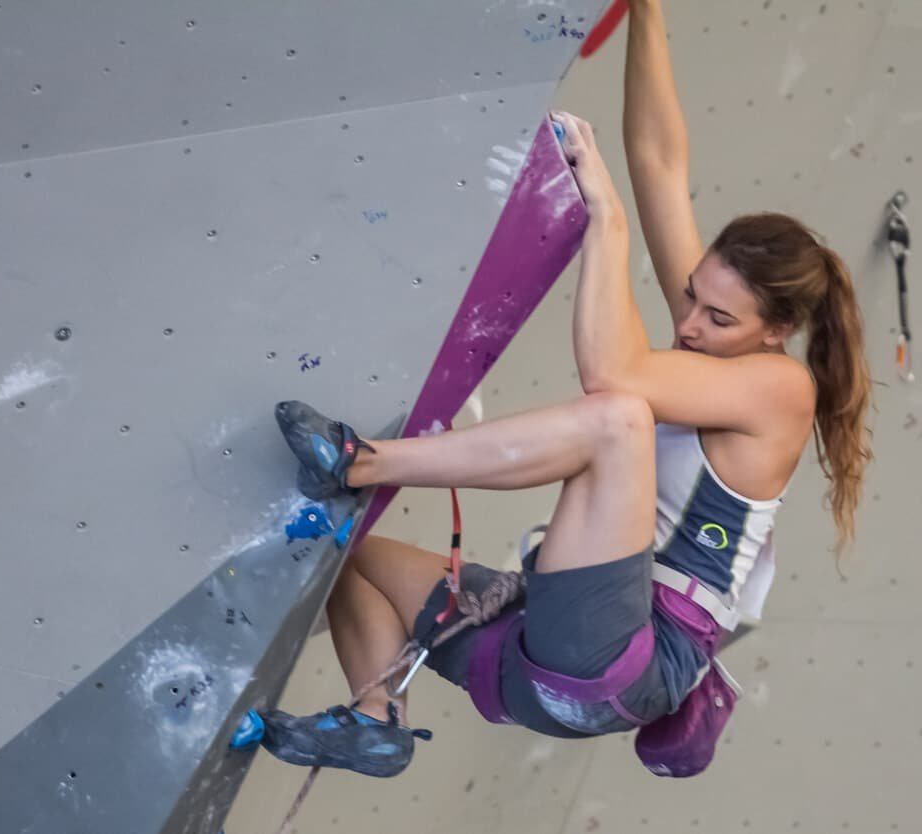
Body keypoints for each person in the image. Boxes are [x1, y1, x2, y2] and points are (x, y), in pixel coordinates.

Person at [258, 0, 873, 778]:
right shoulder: (713, 340)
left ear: (775, 330)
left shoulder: (781, 392)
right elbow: (657, 161)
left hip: (624, 662)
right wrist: (648, 12)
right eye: (690, 296)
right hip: (537, 652)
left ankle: (359, 461)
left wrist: (604, 224)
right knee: (342, 555)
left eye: (717, 317)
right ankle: (375, 720)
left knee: (618, 419)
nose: (687, 324)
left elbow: (613, 378)